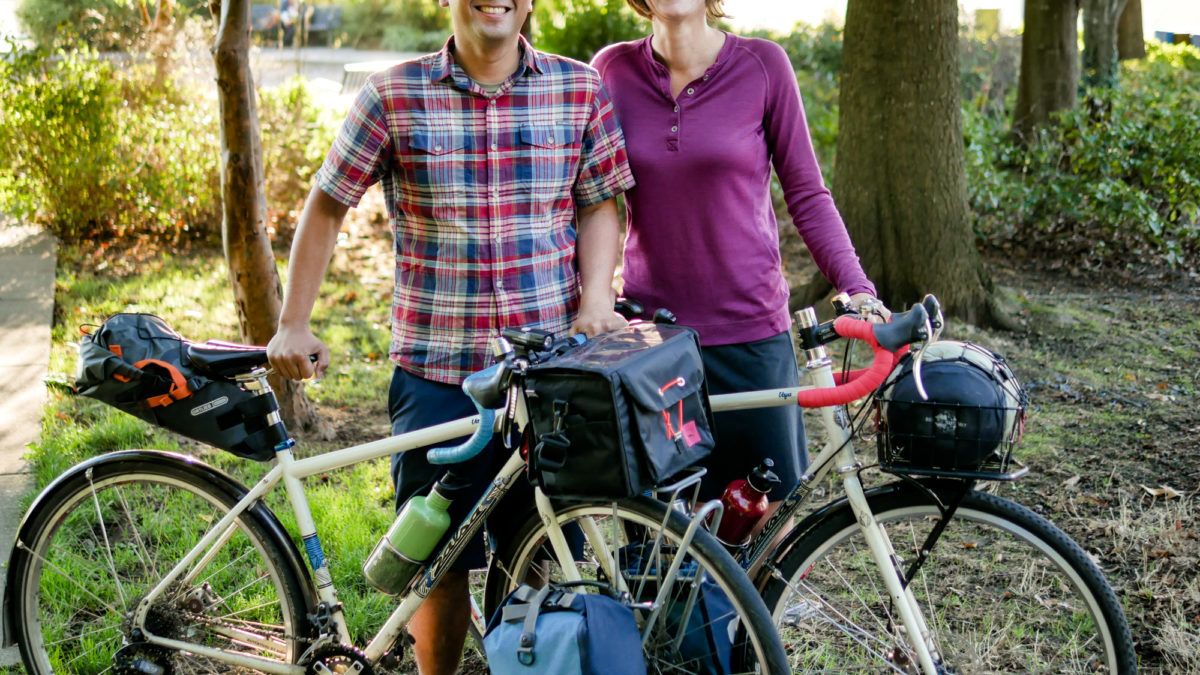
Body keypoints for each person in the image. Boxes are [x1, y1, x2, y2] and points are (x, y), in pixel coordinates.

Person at [267, 0, 635, 670]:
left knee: (541, 554)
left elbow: (599, 203)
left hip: (545, 376)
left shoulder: (579, 88)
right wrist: (293, 320)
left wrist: (596, 300)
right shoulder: (392, 94)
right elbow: (327, 203)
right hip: (437, 374)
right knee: (436, 565)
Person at [592, 0, 889, 520]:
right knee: (665, 524)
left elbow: (807, 195)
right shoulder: (611, 71)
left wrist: (857, 287)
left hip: (751, 334)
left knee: (766, 515)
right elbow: (591, 201)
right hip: (654, 343)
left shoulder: (763, 65)